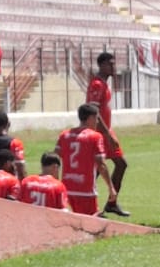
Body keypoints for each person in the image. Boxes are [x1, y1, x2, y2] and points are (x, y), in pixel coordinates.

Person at [86, 51, 131, 217]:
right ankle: (88, 204)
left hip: (106, 131)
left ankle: (111, 203)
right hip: (99, 132)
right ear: (101, 65)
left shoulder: (104, 83)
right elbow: (93, 112)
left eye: (114, 63)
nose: (113, 67)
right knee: (96, 170)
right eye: (110, 64)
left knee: (119, 165)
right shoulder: (97, 84)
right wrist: (107, 134)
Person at [55, 103, 115, 217]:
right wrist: (111, 187)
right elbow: (101, 165)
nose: (97, 122)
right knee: (90, 224)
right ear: (91, 118)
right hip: (85, 191)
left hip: (66, 190)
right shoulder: (95, 137)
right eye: (96, 119)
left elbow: (55, 159)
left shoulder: (64, 135)